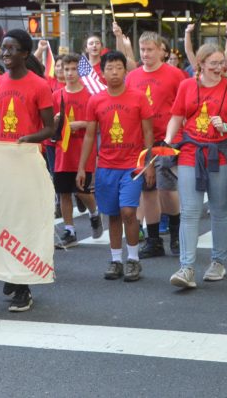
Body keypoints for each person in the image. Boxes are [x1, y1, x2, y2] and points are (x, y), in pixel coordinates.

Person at [0, 29, 55, 312]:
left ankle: (23, 287)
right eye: (3, 48)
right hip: (2, 163)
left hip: (29, 162)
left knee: (23, 224)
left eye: (11, 48)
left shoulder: (39, 86)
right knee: (1, 221)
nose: (5, 53)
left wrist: (29, 138)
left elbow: (50, 128)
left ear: (24, 53)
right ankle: (12, 272)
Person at [165, 44, 227, 289]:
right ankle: (187, 268)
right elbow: (177, 117)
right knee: (190, 211)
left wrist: (225, 126)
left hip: (220, 154)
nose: (218, 67)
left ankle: (218, 261)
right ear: (200, 64)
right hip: (191, 152)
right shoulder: (186, 86)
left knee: (219, 210)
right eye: (212, 63)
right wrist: (168, 140)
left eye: (221, 62)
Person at [77, 50, 154, 283]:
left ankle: (133, 260)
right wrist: (83, 167)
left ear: (125, 70)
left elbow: (148, 131)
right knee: (112, 215)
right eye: (109, 68)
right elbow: (90, 136)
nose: (114, 72)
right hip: (106, 166)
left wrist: (149, 163)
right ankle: (115, 260)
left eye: (118, 68)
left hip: (132, 165)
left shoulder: (139, 97)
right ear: (102, 72)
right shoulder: (96, 100)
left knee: (128, 211)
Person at [122, 31, 185, 258]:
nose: (146, 54)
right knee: (148, 190)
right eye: (143, 49)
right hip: (141, 141)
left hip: (167, 139)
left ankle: (177, 234)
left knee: (166, 188)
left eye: (150, 49)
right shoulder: (132, 77)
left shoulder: (175, 75)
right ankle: (154, 239)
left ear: (161, 50)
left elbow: (185, 105)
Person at [52, 53, 103, 248]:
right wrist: (56, 121)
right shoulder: (57, 95)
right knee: (64, 192)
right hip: (62, 152)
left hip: (83, 151)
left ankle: (94, 212)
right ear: (61, 71)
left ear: (79, 71)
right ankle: (69, 230)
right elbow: (50, 125)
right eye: (66, 69)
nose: (70, 73)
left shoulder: (90, 96)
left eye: (73, 69)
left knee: (81, 190)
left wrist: (81, 124)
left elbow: (98, 125)